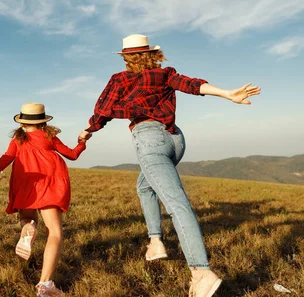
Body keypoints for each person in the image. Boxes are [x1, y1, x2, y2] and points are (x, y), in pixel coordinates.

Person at [80, 34, 261, 297]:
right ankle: (155, 242)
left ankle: (201, 272)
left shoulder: (120, 79)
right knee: (144, 187)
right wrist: (225, 93)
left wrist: (88, 131)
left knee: (177, 204)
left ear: (127, 57)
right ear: (152, 54)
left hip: (149, 140)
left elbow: (103, 110)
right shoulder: (165, 74)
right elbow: (193, 85)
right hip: (175, 140)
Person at [0, 103, 89, 297]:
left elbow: (6, 158)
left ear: (23, 123)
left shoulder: (17, 139)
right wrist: (82, 142)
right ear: (43, 122)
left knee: (29, 220)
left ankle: (28, 226)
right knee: (54, 233)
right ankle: (45, 285)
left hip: (25, 185)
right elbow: (71, 155)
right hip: (49, 186)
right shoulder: (49, 137)